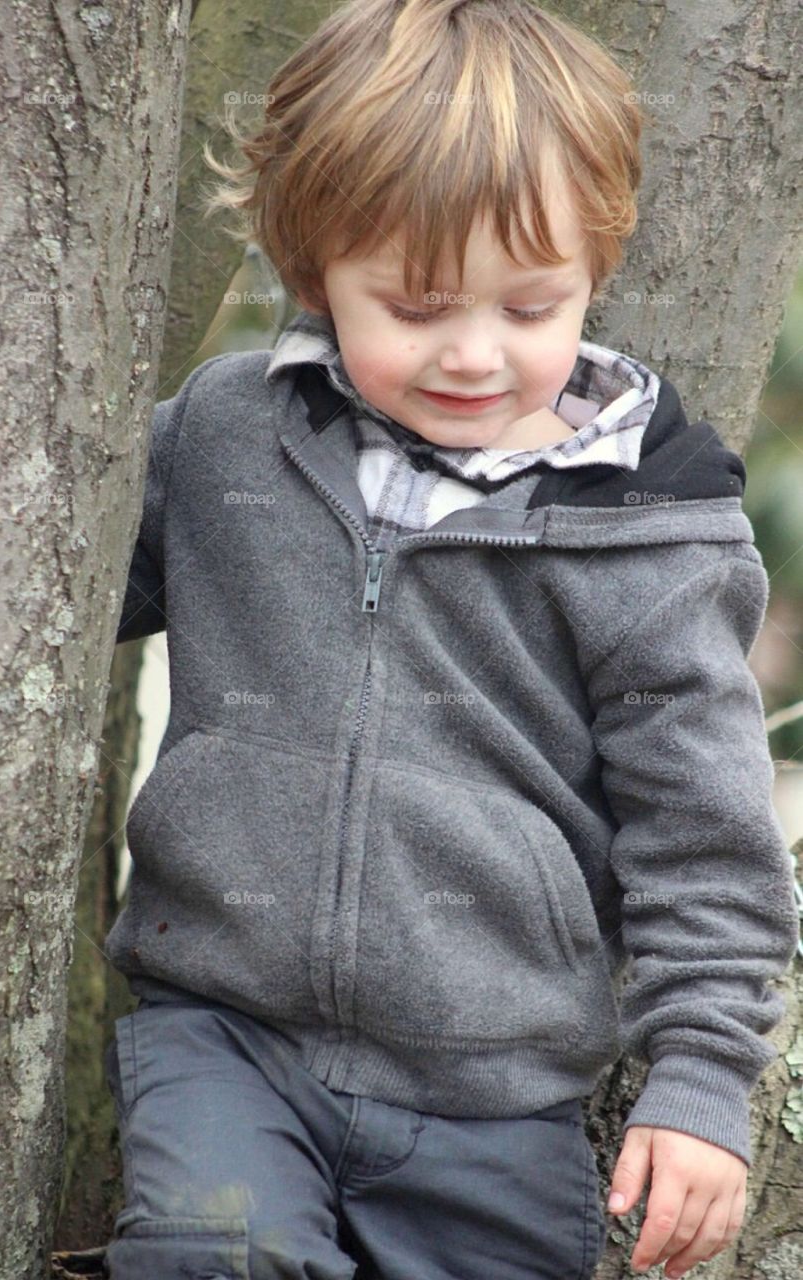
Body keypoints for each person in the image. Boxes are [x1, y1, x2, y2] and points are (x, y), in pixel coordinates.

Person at [101, 2, 800, 1278]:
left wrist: (701, 1077)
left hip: (497, 1095)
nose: (474, 354)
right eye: (415, 306)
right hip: (225, 1032)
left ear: (593, 272)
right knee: (213, 1252)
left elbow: (704, 830)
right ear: (312, 269)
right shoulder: (226, 436)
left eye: (531, 307)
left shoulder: (647, 536)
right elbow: (65, 579)